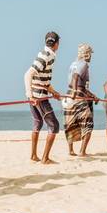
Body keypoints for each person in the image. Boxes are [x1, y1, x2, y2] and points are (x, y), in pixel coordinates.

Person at [23, 31, 62, 164]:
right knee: (54, 126)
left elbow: (42, 79)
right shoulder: (47, 56)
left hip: (36, 95)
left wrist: (53, 92)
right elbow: (28, 74)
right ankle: (45, 158)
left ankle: (34, 155)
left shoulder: (45, 54)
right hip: (38, 97)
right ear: (56, 43)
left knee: (38, 123)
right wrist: (30, 95)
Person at [63, 43, 98, 157]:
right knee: (88, 123)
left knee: (71, 123)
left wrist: (93, 96)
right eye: (90, 53)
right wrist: (74, 91)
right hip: (77, 95)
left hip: (69, 96)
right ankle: (82, 152)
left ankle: (70, 151)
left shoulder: (73, 64)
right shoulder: (84, 64)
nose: (91, 56)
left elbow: (81, 85)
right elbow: (75, 78)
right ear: (86, 54)